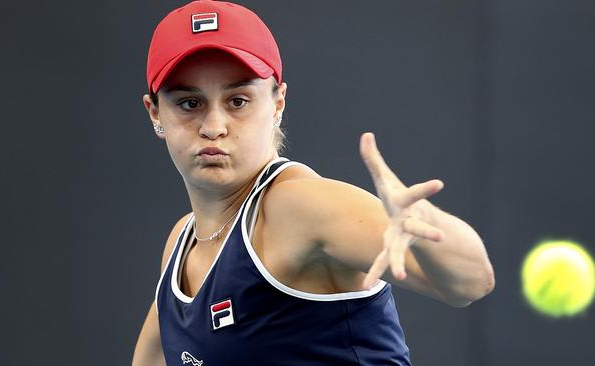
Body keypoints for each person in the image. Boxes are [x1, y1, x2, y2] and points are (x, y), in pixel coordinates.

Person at [132, 1, 495, 365]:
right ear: (155, 112)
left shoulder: (298, 207)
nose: (214, 127)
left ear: (277, 104)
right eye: (190, 103)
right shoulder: (183, 241)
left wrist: (425, 223)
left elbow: (471, 282)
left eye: (238, 101)